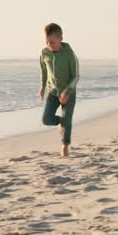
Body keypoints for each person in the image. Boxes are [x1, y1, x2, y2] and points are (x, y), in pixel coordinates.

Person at [39, 23, 80, 157]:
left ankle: (65, 146)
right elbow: (44, 71)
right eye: (47, 42)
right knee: (46, 120)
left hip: (68, 93)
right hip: (53, 92)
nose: (49, 45)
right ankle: (61, 123)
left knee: (67, 119)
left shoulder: (69, 54)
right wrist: (42, 86)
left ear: (60, 38)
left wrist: (67, 92)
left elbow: (76, 76)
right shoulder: (44, 53)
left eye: (52, 42)